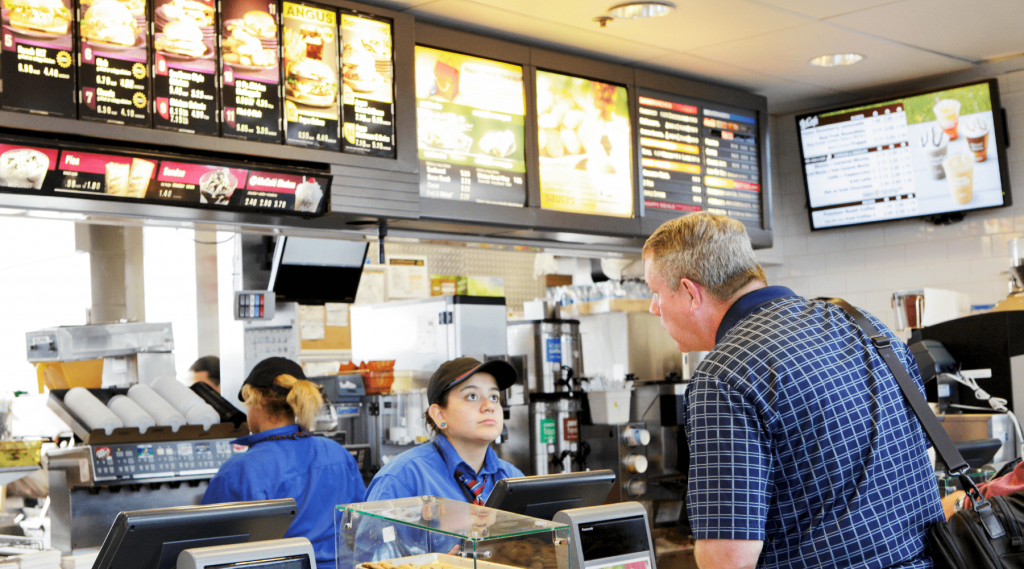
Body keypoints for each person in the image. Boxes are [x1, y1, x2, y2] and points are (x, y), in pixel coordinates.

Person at [643, 213, 943, 569]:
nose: (653, 308)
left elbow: (729, 559)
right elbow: (921, 464)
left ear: (691, 293)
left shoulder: (722, 375)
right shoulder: (865, 325)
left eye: (656, 293)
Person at [202, 357, 365, 569]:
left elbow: (209, 548)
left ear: (256, 400)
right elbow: (361, 522)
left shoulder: (241, 470)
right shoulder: (337, 453)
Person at [364, 357, 523, 503]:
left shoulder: (513, 478)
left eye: (494, 397)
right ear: (439, 415)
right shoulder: (402, 478)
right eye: (472, 396)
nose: (489, 406)